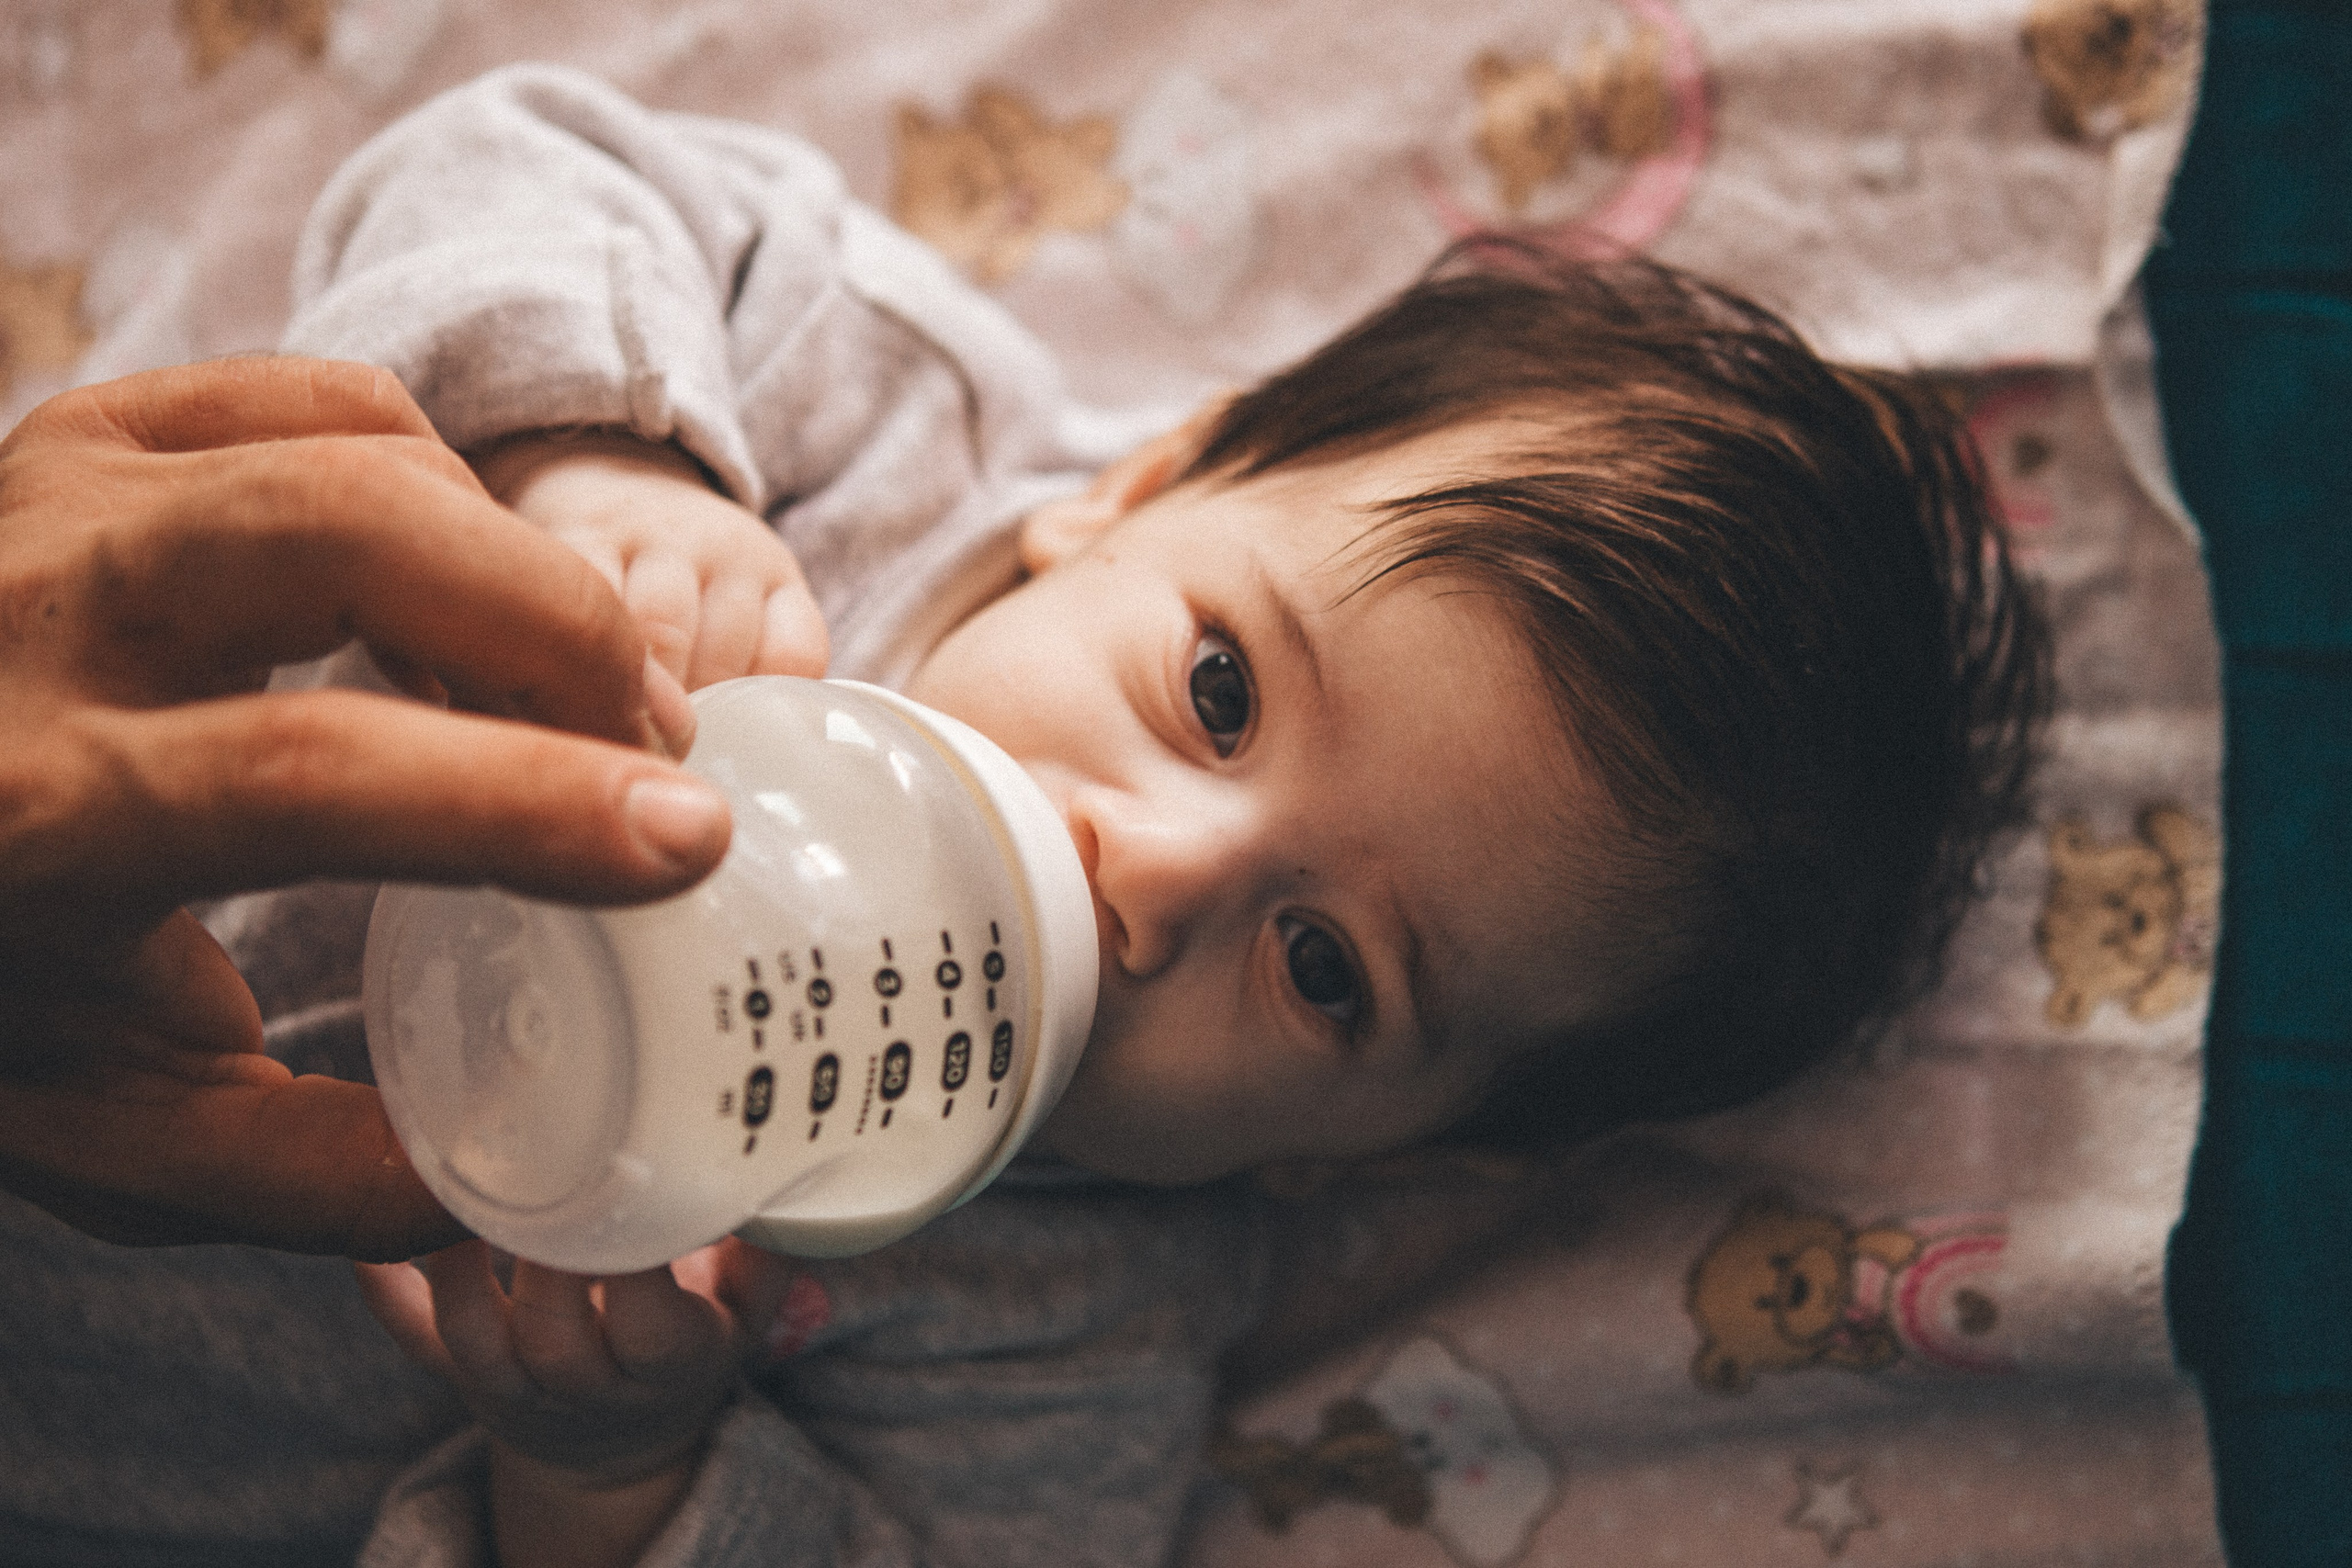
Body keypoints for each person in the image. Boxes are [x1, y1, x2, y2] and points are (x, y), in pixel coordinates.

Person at [222, 62, 2048, 1568]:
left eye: (1327, 971)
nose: (1148, 876)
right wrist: (596, 457)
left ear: (1387, 1150)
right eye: (1221, 691)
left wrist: (613, 1478)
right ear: (1143, 481)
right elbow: (516, 153)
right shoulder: (857, 429)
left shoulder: (1062, 1325)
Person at [0, 353, 740, 1263]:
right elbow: (565, 222)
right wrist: (599, 458)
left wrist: (642, 1396)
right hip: (133, 610)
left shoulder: (915, 1237)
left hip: (207, 1250)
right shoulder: (925, 434)